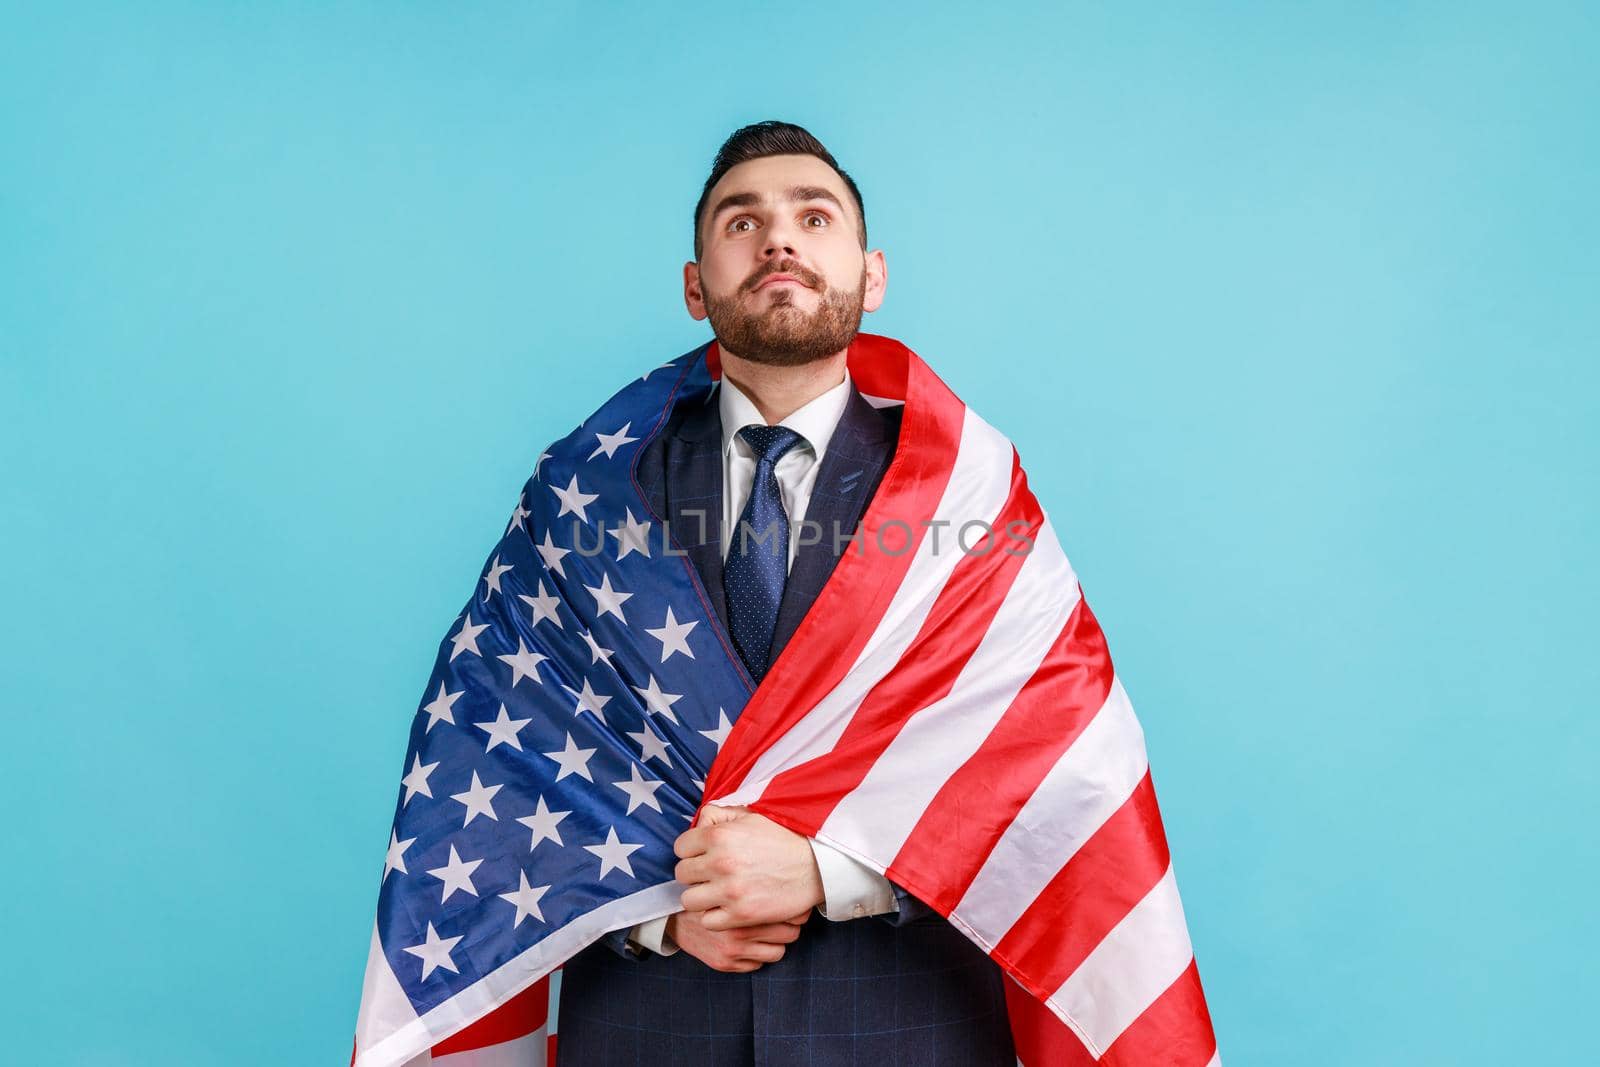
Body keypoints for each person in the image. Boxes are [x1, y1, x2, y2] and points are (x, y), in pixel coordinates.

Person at [554, 122, 1017, 1064]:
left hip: (903, 1028)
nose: (779, 241)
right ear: (696, 285)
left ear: (871, 274)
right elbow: (516, 757)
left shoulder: (961, 488)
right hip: (652, 1025)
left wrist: (824, 871)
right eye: (742, 221)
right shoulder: (594, 491)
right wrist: (664, 916)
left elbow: (1032, 763)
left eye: (814, 216)